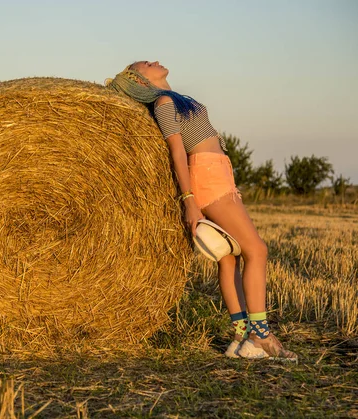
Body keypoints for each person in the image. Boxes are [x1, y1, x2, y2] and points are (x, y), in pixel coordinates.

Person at [106, 61, 297, 361]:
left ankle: (239, 336)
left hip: (216, 174)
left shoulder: (172, 99)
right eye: (145, 62)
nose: (154, 60)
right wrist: (189, 200)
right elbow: (177, 151)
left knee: (228, 257)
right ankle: (260, 336)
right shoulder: (164, 103)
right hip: (208, 177)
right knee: (257, 251)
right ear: (139, 80)